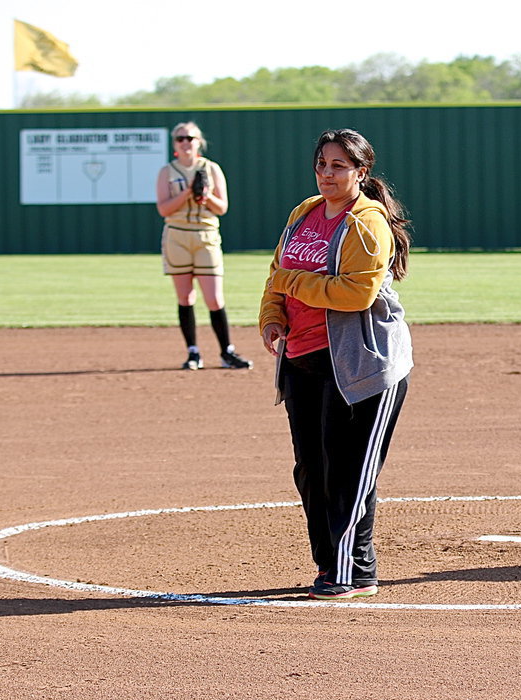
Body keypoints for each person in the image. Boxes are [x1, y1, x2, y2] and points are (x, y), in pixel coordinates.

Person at [258, 129, 413, 599]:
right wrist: (271, 314)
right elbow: (276, 275)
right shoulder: (304, 213)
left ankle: (349, 571)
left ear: (361, 173)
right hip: (302, 357)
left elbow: (354, 293)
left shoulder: (367, 224)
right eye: (322, 164)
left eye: (339, 166)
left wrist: (293, 282)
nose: (327, 173)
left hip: (359, 364)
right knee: (311, 469)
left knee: (347, 471)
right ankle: (333, 565)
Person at [155, 121, 252, 371]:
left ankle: (226, 352)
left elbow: (222, 208)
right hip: (177, 235)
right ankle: (193, 352)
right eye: (180, 138)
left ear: (199, 141)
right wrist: (188, 192)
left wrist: (205, 196)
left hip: (206, 235)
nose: (185, 142)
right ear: (175, 144)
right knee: (185, 297)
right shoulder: (168, 171)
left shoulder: (211, 169)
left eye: (190, 137)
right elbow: (164, 209)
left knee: (214, 298)